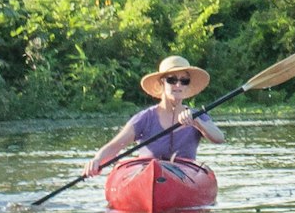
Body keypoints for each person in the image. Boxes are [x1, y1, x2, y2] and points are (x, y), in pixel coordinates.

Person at [94, 55, 222, 179]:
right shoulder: (145, 118)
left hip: (184, 176)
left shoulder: (197, 116)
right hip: (148, 173)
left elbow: (219, 138)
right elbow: (116, 145)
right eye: (172, 80)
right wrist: (97, 160)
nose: (178, 85)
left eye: (184, 81)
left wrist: (197, 123)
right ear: (162, 83)